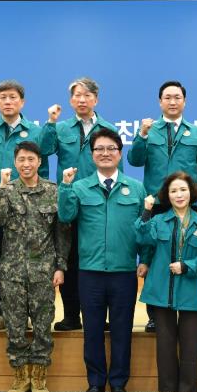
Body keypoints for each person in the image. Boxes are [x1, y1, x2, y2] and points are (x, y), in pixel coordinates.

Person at [58, 129, 147, 392]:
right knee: (93, 331)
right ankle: (95, 383)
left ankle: (118, 383)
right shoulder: (79, 187)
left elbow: (144, 229)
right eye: (99, 149)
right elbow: (66, 216)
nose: (105, 153)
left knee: (122, 330)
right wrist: (65, 187)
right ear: (92, 154)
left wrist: (144, 259)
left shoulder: (136, 188)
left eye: (111, 149)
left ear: (120, 154)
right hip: (90, 272)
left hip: (123, 272)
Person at [128, 80, 197, 332]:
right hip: (157, 203)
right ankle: (155, 314)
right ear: (160, 102)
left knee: (185, 255)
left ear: (184, 101)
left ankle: (184, 307)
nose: (172, 101)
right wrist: (141, 135)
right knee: (153, 257)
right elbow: (134, 160)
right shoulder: (149, 130)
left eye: (177, 97)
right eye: (167, 97)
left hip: (187, 204)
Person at [0, 141, 70, 392]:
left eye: (31, 159)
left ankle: (39, 376)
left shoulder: (52, 191)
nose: (26, 164)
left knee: (43, 325)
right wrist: (2, 188)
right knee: (14, 325)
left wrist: (60, 266)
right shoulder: (7, 191)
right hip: (12, 273)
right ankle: (21, 376)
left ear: (39, 162)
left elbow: (62, 233)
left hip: (43, 272)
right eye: (21, 159)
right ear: (15, 162)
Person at [39, 77, 121, 332]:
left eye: (87, 95)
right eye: (77, 95)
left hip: (98, 200)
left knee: (96, 260)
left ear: (96, 99)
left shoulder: (108, 129)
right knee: (69, 259)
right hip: (70, 200)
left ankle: (97, 316)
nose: (82, 100)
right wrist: (50, 122)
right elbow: (43, 149)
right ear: (70, 100)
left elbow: (115, 163)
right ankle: (71, 315)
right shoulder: (61, 127)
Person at [0, 80, 50, 331]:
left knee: (31, 260)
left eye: (13, 97)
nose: (8, 102)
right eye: (3, 98)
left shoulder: (35, 131)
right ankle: (2, 312)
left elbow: (43, 168)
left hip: (29, 206)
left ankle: (30, 313)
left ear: (22, 102)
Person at [136, 172, 197, 392]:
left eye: (183, 190)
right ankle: (168, 388)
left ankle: (187, 389)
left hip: (191, 287)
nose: (179, 195)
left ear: (191, 193)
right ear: (167, 196)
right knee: (165, 342)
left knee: (191, 342)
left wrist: (187, 266)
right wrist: (146, 212)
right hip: (162, 288)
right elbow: (141, 239)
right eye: (173, 191)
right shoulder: (158, 220)